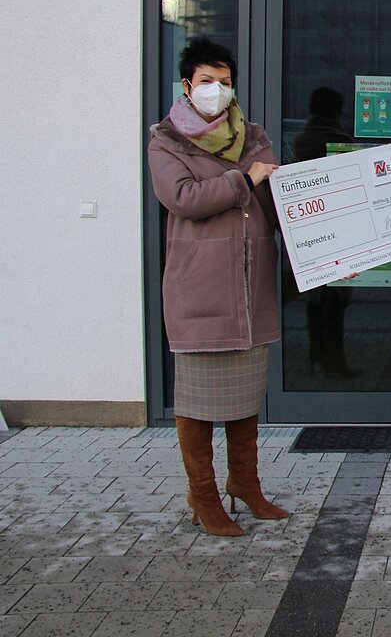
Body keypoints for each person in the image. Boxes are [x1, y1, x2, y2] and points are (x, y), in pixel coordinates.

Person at [148, 37, 289, 537]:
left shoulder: (252, 136)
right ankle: (203, 497)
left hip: (250, 292)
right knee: (198, 406)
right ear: (187, 86)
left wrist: (324, 253)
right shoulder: (166, 141)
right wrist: (243, 180)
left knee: (245, 400)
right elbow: (182, 197)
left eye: (225, 82)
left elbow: (281, 205)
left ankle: (245, 485)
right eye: (207, 81)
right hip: (200, 291)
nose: (217, 89)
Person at [292, 87, 358, 377]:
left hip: (308, 231)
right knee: (335, 303)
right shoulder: (337, 138)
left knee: (315, 301)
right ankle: (334, 360)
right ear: (335, 110)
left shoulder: (301, 139)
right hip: (335, 230)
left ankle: (315, 356)